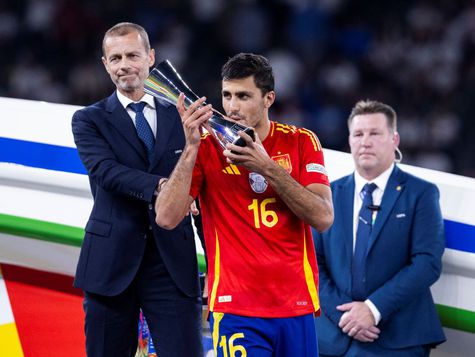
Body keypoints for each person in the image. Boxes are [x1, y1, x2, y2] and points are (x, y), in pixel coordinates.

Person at [155, 53, 334, 356]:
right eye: (227, 95)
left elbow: (323, 217)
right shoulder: (207, 148)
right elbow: (166, 217)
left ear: (269, 98)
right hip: (236, 305)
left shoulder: (302, 142)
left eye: (244, 96)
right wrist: (191, 147)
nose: (232, 106)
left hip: (296, 303)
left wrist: (268, 168)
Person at [71, 22, 202, 356]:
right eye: (114, 58)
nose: (123, 65)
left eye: (132, 55)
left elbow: (201, 180)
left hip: (171, 264)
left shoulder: (181, 116)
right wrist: (162, 186)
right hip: (109, 265)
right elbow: (106, 172)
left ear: (151, 57)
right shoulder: (88, 120)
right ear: (105, 64)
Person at [313, 100, 446, 356]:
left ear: (394, 139)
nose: (365, 141)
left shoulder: (421, 194)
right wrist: (347, 316)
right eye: (358, 134)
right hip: (331, 333)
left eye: (375, 133)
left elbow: (427, 263)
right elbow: (311, 261)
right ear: (350, 140)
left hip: (396, 337)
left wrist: (373, 309)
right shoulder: (328, 193)